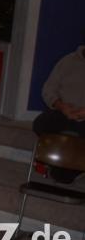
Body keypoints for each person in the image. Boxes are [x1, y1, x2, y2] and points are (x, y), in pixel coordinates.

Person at [32, 42, 85, 182]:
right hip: (63, 112)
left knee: (64, 178)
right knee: (41, 123)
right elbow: (48, 90)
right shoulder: (68, 61)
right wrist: (61, 106)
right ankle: (51, 160)